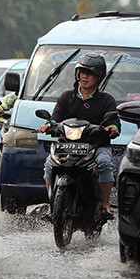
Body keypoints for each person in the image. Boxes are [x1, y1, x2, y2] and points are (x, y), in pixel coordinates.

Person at [38, 53, 120, 219]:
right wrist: (48, 125)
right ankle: (51, 204)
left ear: (99, 77)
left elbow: (114, 122)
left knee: (105, 163)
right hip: (66, 145)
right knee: (48, 165)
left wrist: (112, 128)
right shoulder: (65, 97)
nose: (85, 76)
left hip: (96, 146)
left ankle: (105, 204)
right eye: (82, 72)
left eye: (89, 73)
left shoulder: (106, 100)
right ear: (77, 74)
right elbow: (55, 119)